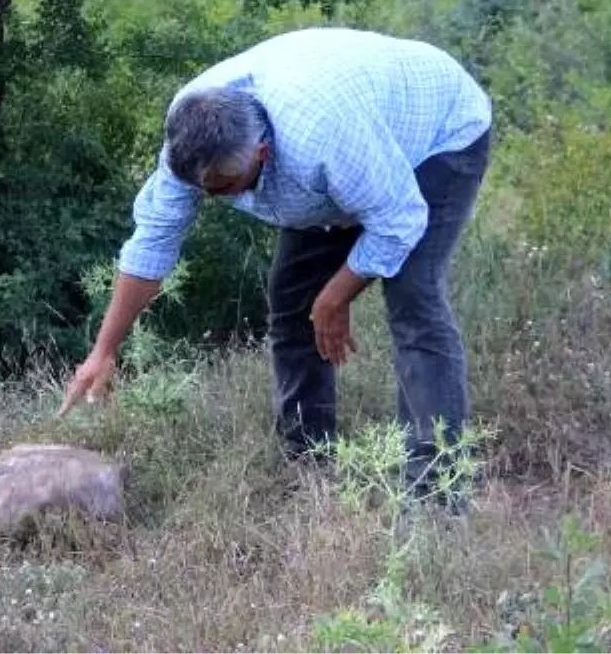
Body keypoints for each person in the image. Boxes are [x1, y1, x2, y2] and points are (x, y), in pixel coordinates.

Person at [60, 26, 494, 506]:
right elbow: (153, 241)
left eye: (223, 189)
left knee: (413, 301)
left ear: (260, 154)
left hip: (435, 133)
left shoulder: (322, 140)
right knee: (292, 304)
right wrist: (104, 351)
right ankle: (308, 460)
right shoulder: (191, 137)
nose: (212, 198)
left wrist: (336, 295)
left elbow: (398, 219)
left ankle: (437, 488)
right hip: (347, 147)